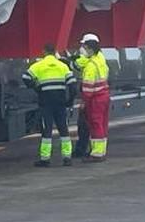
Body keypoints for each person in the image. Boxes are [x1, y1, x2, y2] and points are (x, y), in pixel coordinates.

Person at [23, 44, 77, 167]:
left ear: (44, 52)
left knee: (46, 131)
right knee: (64, 130)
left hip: (46, 103)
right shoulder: (63, 66)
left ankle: (45, 159)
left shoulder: (38, 66)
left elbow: (25, 77)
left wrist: (36, 87)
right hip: (60, 103)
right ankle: (67, 157)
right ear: (54, 52)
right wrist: (70, 100)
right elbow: (73, 85)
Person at [74, 33, 111, 162]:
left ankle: (96, 154)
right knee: (102, 124)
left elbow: (88, 88)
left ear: (89, 47)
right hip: (104, 96)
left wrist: (84, 102)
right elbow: (81, 62)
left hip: (95, 98)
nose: (82, 48)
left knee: (95, 125)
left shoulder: (90, 66)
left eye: (84, 46)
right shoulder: (100, 58)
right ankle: (101, 151)